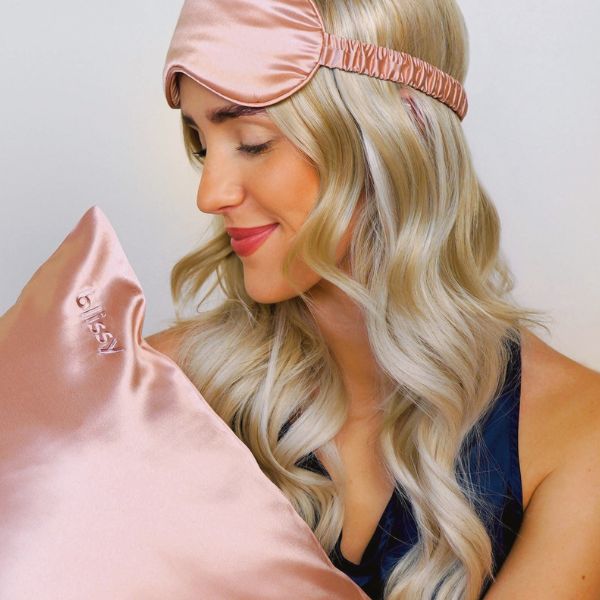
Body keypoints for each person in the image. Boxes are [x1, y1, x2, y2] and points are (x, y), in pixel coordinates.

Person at [147, 0, 600, 598]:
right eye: (203, 144)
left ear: (385, 140)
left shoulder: (575, 434)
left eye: (252, 142)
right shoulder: (154, 387)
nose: (210, 194)